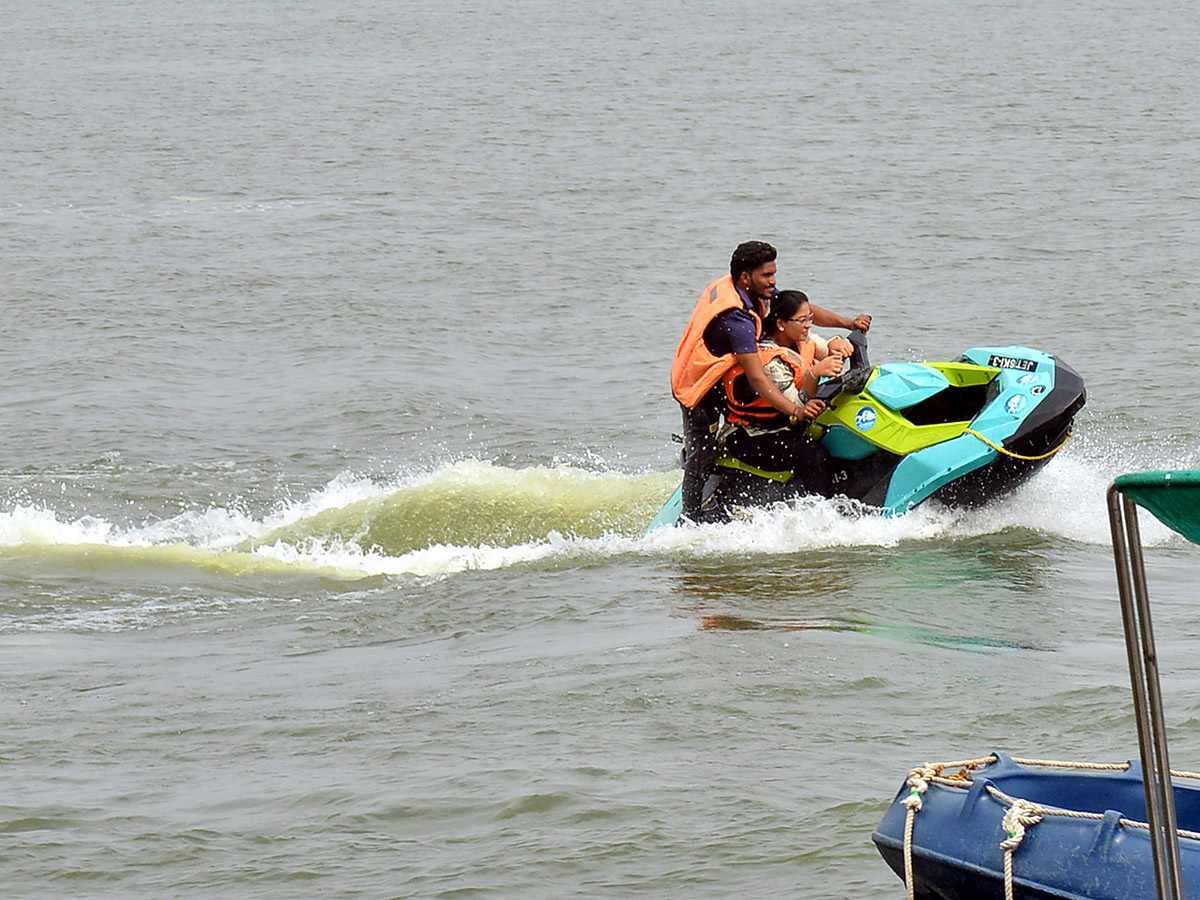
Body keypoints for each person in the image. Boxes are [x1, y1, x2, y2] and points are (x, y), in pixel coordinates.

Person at [670, 241, 870, 522]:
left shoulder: (742, 287)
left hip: (715, 371)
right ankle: (690, 518)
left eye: (774, 274)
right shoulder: (738, 322)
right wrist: (796, 411)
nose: (773, 281)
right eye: (767, 276)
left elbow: (803, 309)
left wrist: (847, 324)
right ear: (745, 277)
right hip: (697, 387)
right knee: (702, 453)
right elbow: (758, 378)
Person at [719, 290, 847, 499]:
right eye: (802, 320)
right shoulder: (770, 363)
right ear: (781, 324)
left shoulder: (802, 339)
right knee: (812, 453)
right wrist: (815, 374)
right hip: (752, 436)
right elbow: (798, 411)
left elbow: (826, 348)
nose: (808, 325)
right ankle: (822, 510)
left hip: (782, 427)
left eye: (810, 319)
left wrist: (839, 343)